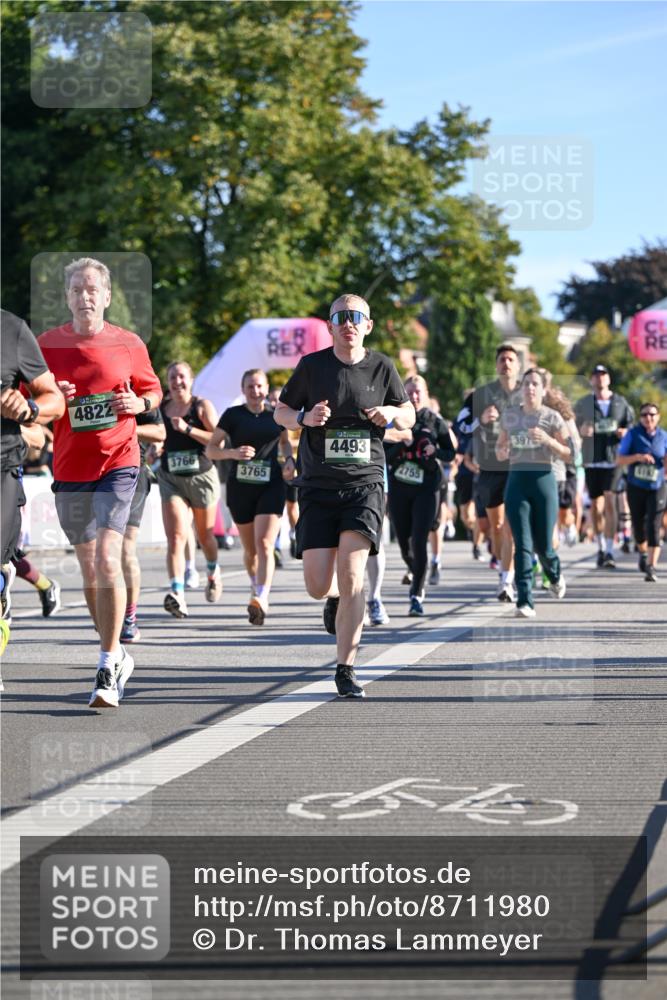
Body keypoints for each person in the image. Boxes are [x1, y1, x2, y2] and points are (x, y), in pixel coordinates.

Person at [274, 292, 414, 697]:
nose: (349, 323)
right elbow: (280, 412)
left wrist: (391, 413)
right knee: (319, 584)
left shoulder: (383, 367)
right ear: (331, 325)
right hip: (318, 485)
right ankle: (331, 597)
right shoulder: (312, 366)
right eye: (341, 317)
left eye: (356, 316)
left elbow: (409, 414)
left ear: (367, 325)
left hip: (364, 486)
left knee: (353, 576)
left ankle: (346, 668)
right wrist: (303, 417)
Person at [38, 258, 162, 707]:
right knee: (90, 570)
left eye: (92, 289)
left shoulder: (128, 344)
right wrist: (52, 397)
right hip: (70, 467)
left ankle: (107, 663)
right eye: (76, 289)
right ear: (67, 297)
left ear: (107, 296)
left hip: (119, 460)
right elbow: (32, 397)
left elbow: (153, 392)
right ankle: (117, 650)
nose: (84, 296)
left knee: (109, 558)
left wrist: (137, 400)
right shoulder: (46, 344)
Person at [206, 368, 295, 625]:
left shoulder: (276, 415)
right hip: (240, 488)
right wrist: (233, 454)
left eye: (259, 386)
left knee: (265, 543)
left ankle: (262, 596)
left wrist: (289, 459)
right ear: (243, 390)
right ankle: (256, 585)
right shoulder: (233, 415)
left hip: (272, 484)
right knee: (251, 550)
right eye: (250, 387)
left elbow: (285, 442)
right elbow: (212, 449)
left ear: (266, 388)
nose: (255, 392)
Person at [1, 309, 65, 657]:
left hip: (4, 468)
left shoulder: (12, 332)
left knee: (5, 557)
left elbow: (52, 404)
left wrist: (26, 410)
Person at [495, 368, 571, 618]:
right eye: (526, 383)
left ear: (543, 389)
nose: (529, 388)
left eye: (535, 384)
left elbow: (570, 453)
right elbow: (499, 447)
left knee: (544, 546)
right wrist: (503, 452)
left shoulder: (553, 418)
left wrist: (548, 441)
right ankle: (525, 601)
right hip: (517, 481)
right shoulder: (510, 416)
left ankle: (555, 574)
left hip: (544, 481)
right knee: (523, 544)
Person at [386, 375, 456, 616]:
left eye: (418, 392)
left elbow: (450, 453)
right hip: (399, 486)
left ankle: (416, 594)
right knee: (405, 544)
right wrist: (401, 443)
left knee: (419, 540)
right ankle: (416, 569)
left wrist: (434, 450)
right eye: (410, 392)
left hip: (427, 487)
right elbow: (382, 454)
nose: (414, 396)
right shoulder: (393, 419)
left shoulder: (434, 421)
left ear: (425, 394)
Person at [456, 344, 521, 602]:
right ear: (496, 365)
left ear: (517, 365)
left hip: (518, 467)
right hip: (490, 468)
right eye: (502, 359)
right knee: (495, 527)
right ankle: (502, 562)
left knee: (510, 527)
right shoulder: (480, 395)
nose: (506, 363)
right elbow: (460, 425)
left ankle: (507, 581)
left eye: (511, 359)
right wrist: (480, 420)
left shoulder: (527, 393)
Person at [157, 361, 221, 617]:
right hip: (171, 477)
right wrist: (157, 447)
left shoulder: (201, 406)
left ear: (191, 380)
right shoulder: (162, 407)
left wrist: (188, 429)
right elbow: (159, 435)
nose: (177, 381)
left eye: (182, 377)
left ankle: (213, 570)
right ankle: (177, 593)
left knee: (204, 536)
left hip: (201, 477)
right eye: (172, 377)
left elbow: (218, 440)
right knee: (176, 537)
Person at [574, 364, 634, 569]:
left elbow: (632, 426)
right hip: (592, 459)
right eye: (596, 375)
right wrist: (582, 430)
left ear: (609, 379)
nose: (600, 379)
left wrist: (625, 432)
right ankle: (600, 545)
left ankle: (609, 549)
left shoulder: (620, 403)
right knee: (596, 506)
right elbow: (571, 428)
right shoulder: (583, 404)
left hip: (613, 459)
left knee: (610, 501)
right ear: (591, 380)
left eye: (603, 375)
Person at [119, 407, 166, 642]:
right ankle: (109, 610)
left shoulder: (136, 386)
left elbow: (159, 431)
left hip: (131, 473)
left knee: (125, 548)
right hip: (91, 473)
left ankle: (129, 617)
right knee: (100, 552)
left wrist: (122, 430)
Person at [616, 403, 667, 582]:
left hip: (657, 486)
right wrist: (638, 457)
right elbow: (619, 459)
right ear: (640, 418)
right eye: (644, 415)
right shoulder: (632, 434)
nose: (648, 418)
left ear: (658, 416)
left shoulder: (664, 436)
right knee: (638, 525)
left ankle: (651, 567)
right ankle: (643, 553)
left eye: (652, 414)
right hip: (636, 486)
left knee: (654, 525)